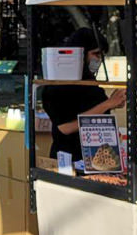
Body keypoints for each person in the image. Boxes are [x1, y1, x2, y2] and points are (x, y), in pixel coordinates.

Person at [41, 28, 126, 160]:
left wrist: (113, 103)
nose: (99, 60)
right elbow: (65, 127)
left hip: (97, 157)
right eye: (96, 54)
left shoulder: (90, 83)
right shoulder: (57, 85)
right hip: (69, 159)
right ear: (80, 54)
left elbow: (95, 108)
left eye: (102, 55)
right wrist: (108, 104)